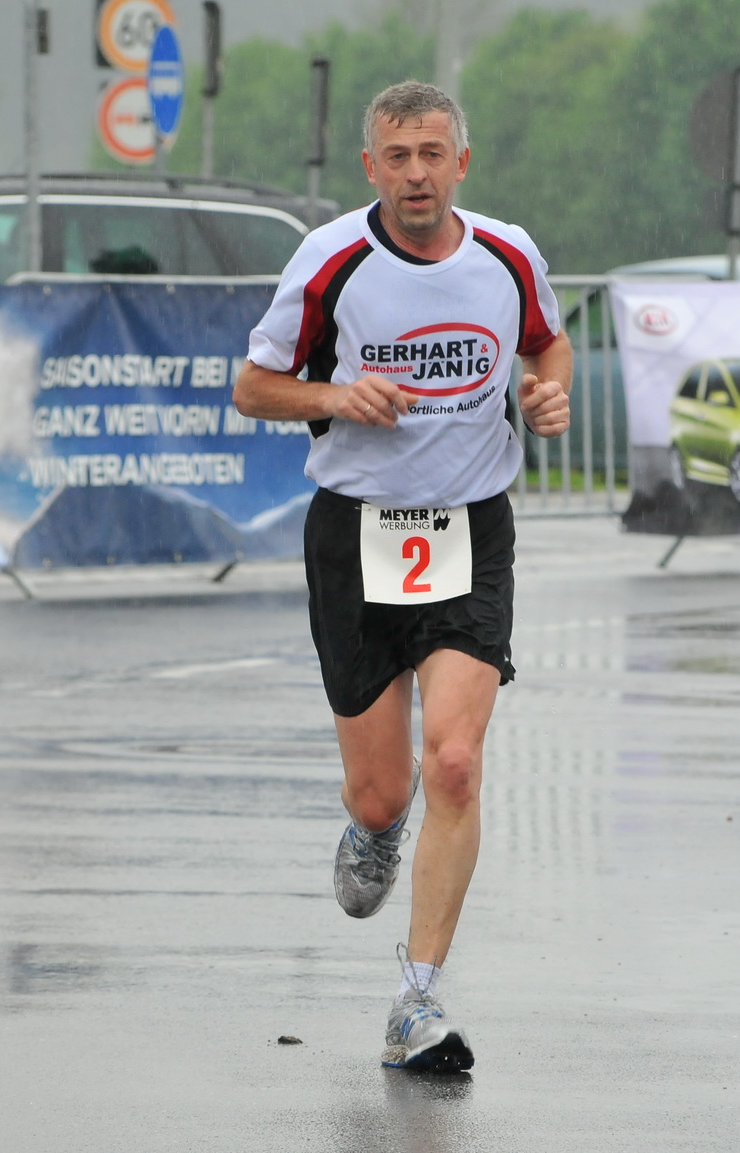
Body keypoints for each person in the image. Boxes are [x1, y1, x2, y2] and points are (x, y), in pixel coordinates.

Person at [234, 80, 571, 1072]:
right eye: (398, 156)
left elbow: (546, 342)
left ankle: (416, 1002)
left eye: (434, 154)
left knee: (456, 763)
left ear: (460, 163)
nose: (417, 173)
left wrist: (546, 391)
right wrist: (334, 392)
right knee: (384, 793)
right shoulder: (333, 260)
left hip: (471, 527)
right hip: (356, 536)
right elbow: (254, 385)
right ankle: (371, 829)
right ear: (370, 168)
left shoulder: (506, 254)